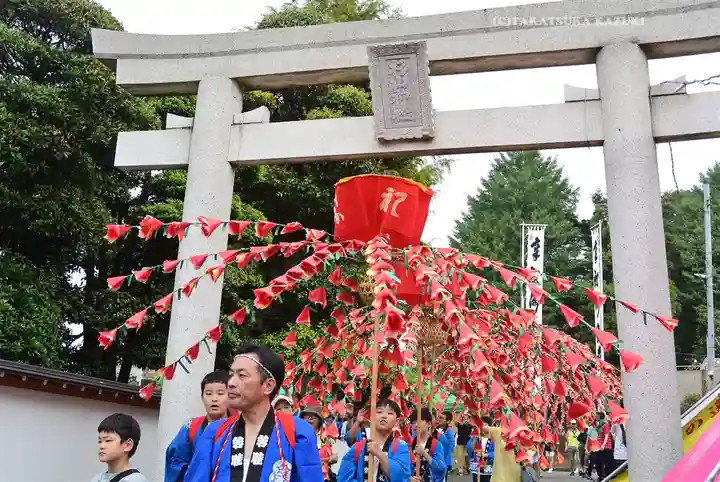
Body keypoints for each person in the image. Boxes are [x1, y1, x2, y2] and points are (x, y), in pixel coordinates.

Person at [185, 344, 323, 482]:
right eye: (231, 375)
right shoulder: (215, 432)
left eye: (242, 375)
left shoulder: (297, 432)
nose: (231, 383)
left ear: (268, 386)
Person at [165, 370, 232, 482]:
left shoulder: (237, 427)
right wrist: (196, 471)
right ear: (202, 397)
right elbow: (174, 459)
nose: (214, 399)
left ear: (230, 396)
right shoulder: (191, 427)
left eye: (220, 393)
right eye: (208, 393)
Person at [337, 398, 411, 482]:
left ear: (396, 421)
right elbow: (343, 477)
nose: (384, 416)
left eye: (390, 413)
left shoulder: (401, 447)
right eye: (379, 412)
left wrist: (380, 454)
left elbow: (402, 477)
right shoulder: (358, 447)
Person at [92, 413, 147, 482]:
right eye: (100, 441)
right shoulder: (97, 478)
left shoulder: (135, 479)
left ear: (128, 445)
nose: (101, 446)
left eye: (108, 440)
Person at [301, 405, 339, 482]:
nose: (309, 419)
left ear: (319, 420)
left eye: (312, 417)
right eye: (306, 417)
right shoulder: (298, 436)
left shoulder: (328, 435)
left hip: (324, 477)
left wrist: (330, 459)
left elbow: (335, 456)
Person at [409, 408, 446, 482]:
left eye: (419, 421)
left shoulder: (436, 444)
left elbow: (441, 469)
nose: (416, 425)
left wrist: (424, 453)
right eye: (413, 422)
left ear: (429, 423)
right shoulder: (409, 443)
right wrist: (409, 478)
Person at [434, 411, 455, 480]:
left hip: (444, 461)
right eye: (439, 417)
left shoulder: (449, 432)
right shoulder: (435, 429)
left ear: (448, 421)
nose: (439, 419)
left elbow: (451, 448)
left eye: (442, 418)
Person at [595, 412, 614, 480]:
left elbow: (606, 435)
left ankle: (605, 476)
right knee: (598, 462)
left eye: (597, 416)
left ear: (600, 417)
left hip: (605, 447)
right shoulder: (598, 425)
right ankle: (601, 476)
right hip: (599, 447)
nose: (595, 417)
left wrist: (603, 445)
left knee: (605, 463)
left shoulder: (605, 425)